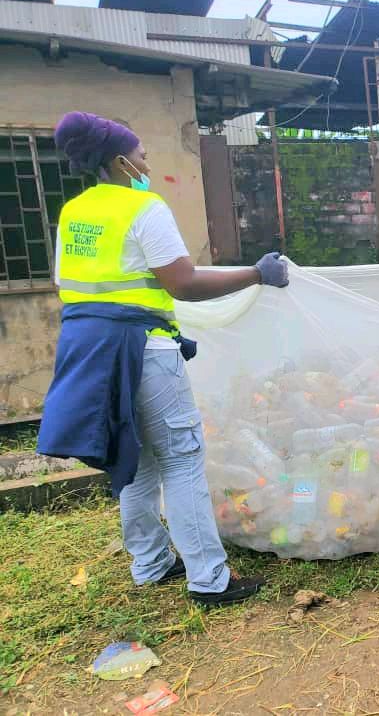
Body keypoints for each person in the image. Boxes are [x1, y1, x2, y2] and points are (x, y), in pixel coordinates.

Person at [38, 112, 290, 606]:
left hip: (89, 351)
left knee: (133, 460)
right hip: (143, 347)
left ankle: (151, 564)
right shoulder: (143, 208)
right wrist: (256, 274)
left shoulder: (74, 213)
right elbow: (184, 283)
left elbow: (67, 285)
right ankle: (209, 579)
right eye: (141, 156)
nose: (145, 162)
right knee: (181, 460)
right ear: (120, 162)